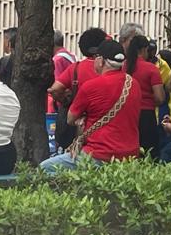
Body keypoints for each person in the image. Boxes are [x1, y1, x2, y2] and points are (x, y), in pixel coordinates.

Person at [41, 41, 142, 171]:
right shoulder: (134, 84)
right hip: (130, 154)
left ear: (100, 61)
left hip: (98, 155)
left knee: (45, 168)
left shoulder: (91, 86)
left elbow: (70, 119)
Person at [123, 34, 166, 156]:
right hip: (146, 115)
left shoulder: (123, 67)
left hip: (126, 114)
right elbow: (160, 97)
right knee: (149, 154)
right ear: (143, 50)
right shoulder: (151, 69)